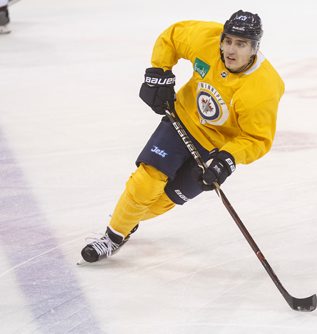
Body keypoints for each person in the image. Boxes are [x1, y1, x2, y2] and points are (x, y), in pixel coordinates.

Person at [80, 10, 285, 263]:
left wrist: (227, 160)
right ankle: (113, 238)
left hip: (213, 149)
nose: (231, 50)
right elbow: (173, 37)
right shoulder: (207, 41)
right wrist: (159, 73)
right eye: (228, 40)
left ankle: (126, 221)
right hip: (181, 121)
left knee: (165, 200)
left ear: (254, 48)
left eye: (241, 44)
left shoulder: (263, 88)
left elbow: (256, 139)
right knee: (146, 182)